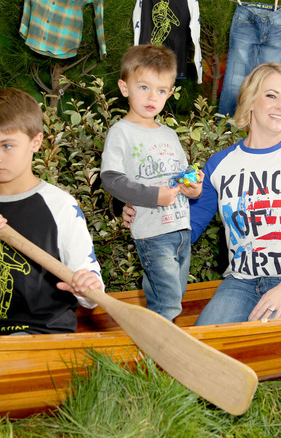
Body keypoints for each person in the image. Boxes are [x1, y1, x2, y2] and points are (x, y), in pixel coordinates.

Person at [0, 88, 102, 336]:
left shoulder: (59, 205)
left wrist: (87, 287)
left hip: (44, 335)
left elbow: (91, 293)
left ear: (35, 142)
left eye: (7, 146)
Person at [188, 62, 281, 325]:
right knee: (207, 343)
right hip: (240, 281)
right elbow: (188, 227)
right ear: (251, 101)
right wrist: (151, 213)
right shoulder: (219, 164)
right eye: (271, 95)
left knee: (260, 338)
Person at [100, 44, 203, 321]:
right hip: (152, 233)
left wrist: (194, 187)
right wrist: (153, 196)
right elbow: (110, 178)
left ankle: (152, 348)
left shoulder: (169, 134)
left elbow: (182, 178)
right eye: (143, 87)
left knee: (171, 297)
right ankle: (158, 358)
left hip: (181, 230)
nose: (151, 97)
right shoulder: (121, 132)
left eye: (160, 90)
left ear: (170, 93)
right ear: (125, 87)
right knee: (168, 304)